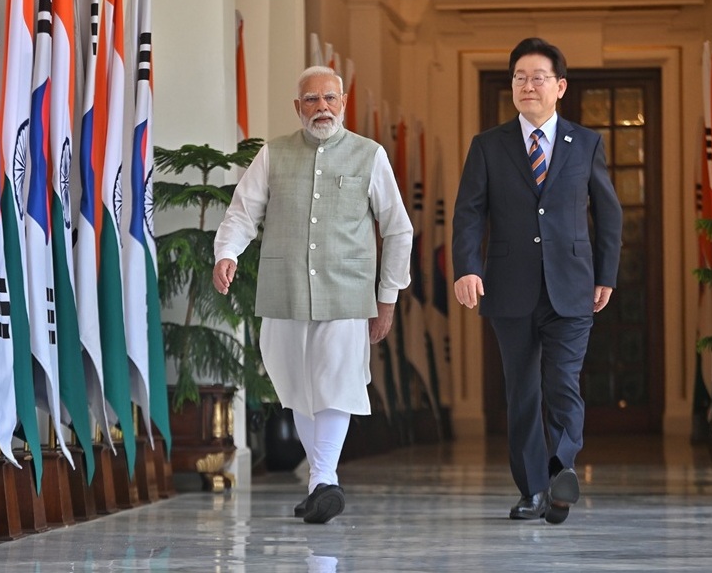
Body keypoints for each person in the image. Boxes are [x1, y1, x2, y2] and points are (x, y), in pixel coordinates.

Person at [213, 65, 413, 524]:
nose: (321, 107)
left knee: (336, 385)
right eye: (311, 100)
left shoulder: (370, 155)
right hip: (284, 290)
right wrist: (227, 253)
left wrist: (387, 297)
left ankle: (325, 479)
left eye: (330, 99)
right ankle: (319, 483)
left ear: (343, 103)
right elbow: (243, 212)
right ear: (297, 107)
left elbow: (399, 230)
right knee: (297, 387)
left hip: (347, 292)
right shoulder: (274, 153)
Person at [451, 37, 622, 525]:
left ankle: (560, 468)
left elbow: (608, 214)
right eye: (520, 77)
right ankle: (532, 491)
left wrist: (606, 273)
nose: (528, 85)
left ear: (560, 86)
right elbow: (468, 213)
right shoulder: (488, 145)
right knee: (523, 391)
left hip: (573, 284)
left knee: (563, 384)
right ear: (512, 87)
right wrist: (468, 266)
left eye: (539, 77)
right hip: (509, 286)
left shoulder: (586, 143)